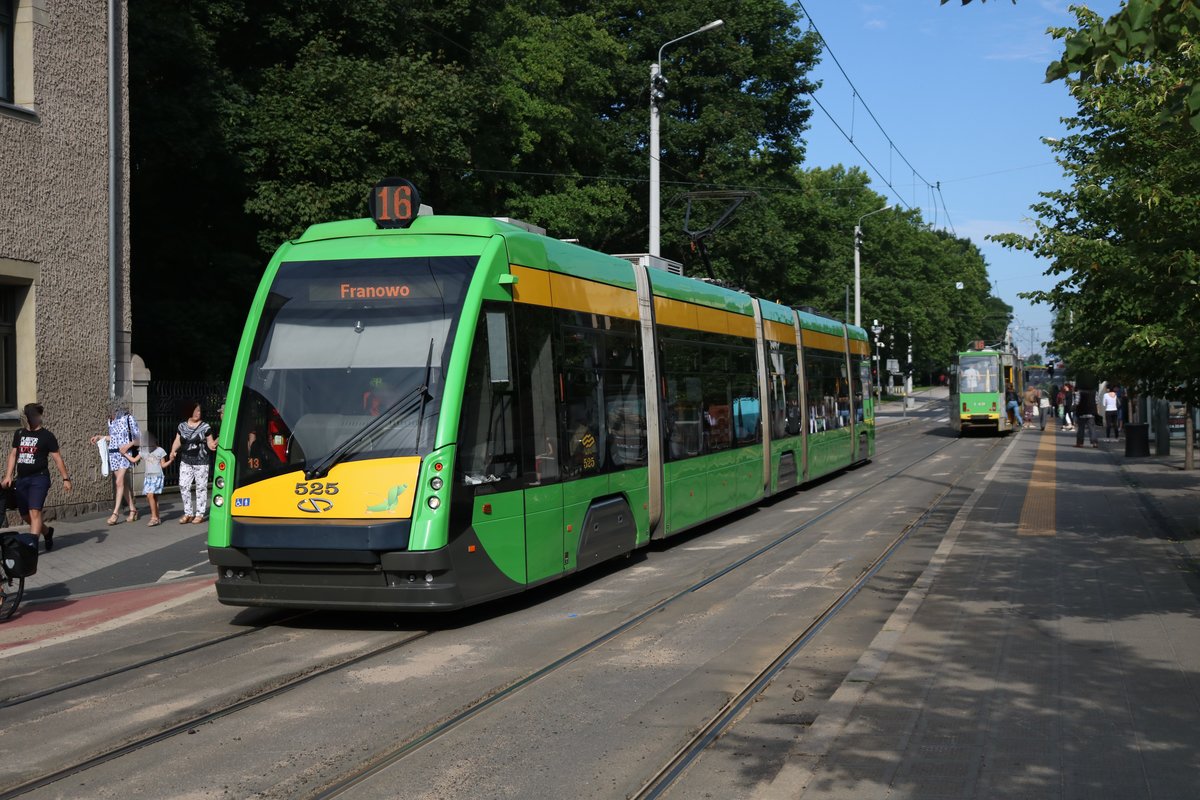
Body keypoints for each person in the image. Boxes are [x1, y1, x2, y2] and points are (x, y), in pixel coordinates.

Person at [3, 403, 71, 551]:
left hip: (39, 479)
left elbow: (57, 458)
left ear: (39, 416)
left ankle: (32, 547)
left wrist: (65, 479)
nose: (30, 419)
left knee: (35, 512)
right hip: (22, 479)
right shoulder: (19, 434)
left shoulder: (47, 436)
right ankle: (46, 532)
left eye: (33, 416)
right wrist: (8, 475)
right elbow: (13, 455)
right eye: (28, 416)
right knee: (25, 515)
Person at [90, 399, 141, 525]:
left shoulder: (128, 418)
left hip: (125, 454)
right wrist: (100, 437)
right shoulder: (110, 421)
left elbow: (139, 438)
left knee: (119, 482)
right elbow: (113, 437)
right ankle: (133, 510)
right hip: (113, 454)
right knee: (122, 484)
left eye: (111, 409)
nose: (109, 412)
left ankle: (115, 513)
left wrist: (127, 446)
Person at [170, 401, 217, 524]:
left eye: (199, 411)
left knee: (201, 488)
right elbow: (177, 440)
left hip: (201, 461)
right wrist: (173, 451)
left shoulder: (205, 427)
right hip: (186, 460)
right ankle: (188, 513)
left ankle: (199, 514)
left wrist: (213, 444)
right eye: (195, 411)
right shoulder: (182, 426)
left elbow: (210, 442)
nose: (198, 413)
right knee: (183, 485)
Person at [127, 437, 170, 526]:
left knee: (150, 495)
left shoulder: (160, 450)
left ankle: (154, 518)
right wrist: (124, 454)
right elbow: (134, 460)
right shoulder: (144, 451)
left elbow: (163, 465)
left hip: (157, 476)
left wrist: (171, 460)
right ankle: (157, 518)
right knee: (153, 497)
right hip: (148, 477)